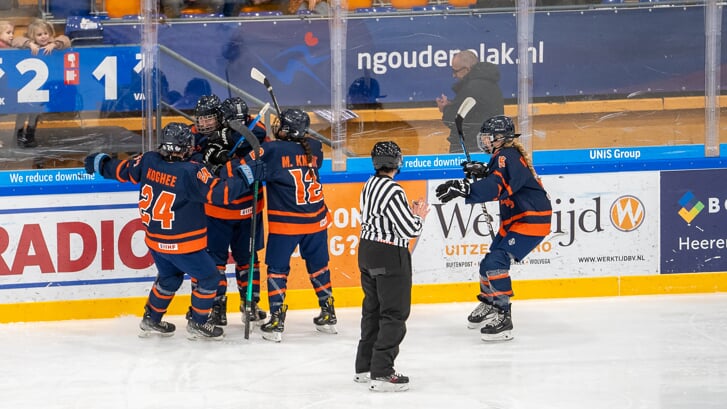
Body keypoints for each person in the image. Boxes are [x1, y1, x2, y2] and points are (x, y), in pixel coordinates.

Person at [83, 122, 264, 340]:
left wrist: (101, 164)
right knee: (209, 278)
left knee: (169, 277)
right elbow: (222, 194)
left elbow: (123, 170)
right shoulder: (191, 172)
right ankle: (199, 322)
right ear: (185, 147)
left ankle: (152, 318)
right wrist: (246, 175)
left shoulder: (149, 160)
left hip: (156, 241)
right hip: (183, 244)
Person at [435, 115, 552, 342]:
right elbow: (500, 179)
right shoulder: (504, 156)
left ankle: (503, 315)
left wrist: (465, 187)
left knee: (495, 262)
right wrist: (480, 172)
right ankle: (489, 303)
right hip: (518, 218)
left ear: (501, 138)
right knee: (487, 263)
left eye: (488, 137)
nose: (485, 141)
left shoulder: (506, 156)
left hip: (531, 220)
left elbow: (496, 186)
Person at [232, 108, 335, 342]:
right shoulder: (315, 147)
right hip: (317, 220)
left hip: (286, 224)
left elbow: (244, 166)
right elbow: (297, 151)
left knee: (277, 271)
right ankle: (328, 314)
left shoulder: (271, 150)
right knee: (319, 267)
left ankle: (277, 321)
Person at [354, 141, 430, 392]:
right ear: (397, 161)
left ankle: (365, 367)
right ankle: (382, 372)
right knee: (394, 313)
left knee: (373, 309)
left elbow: (382, 217)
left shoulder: (370, 184)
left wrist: (408, 215)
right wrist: (418, 215)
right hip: (388, 254)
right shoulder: (393, 189)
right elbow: (409, 229)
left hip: (367, 251)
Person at [200, 96, 269, 327]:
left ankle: (250, 303)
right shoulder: (208, 136)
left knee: (248, 259)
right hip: (218, 212)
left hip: (249, 210)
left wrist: (230, 158)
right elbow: (206, 165)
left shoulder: (254, 129)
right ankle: (217, 306)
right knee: (216, 262)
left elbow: (258, 139)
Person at [12, 19, 71, 149]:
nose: (43, 37)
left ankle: (30, 135)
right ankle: (18, 135)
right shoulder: (29, 43)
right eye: (39, 35)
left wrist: (55, 44)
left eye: (45, 33)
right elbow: (15, 40)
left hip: (42, 86)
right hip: (26, 86)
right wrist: (29, 44)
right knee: (22, 111)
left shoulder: (52, 43)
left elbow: (65, 39)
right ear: (33, 36)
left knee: (35, 112)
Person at [436, 49, 504, 154]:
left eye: (455, 71)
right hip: (488, 147)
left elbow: (454, 120)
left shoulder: (471, 88)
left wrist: (445, 109)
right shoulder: (491, 85)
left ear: (466, 69)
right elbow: (474, 112)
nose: (453, 75)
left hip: (470, 149)